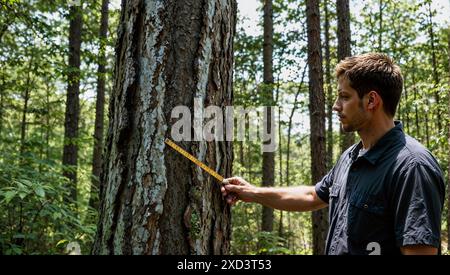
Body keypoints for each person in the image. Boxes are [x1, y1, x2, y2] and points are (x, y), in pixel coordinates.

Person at [221, 53, 445, 255]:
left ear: (371, 100)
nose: (336, 106)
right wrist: (251, 193)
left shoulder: (412, 167)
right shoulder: (351, 157)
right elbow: (312, 197)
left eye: (344, 97)